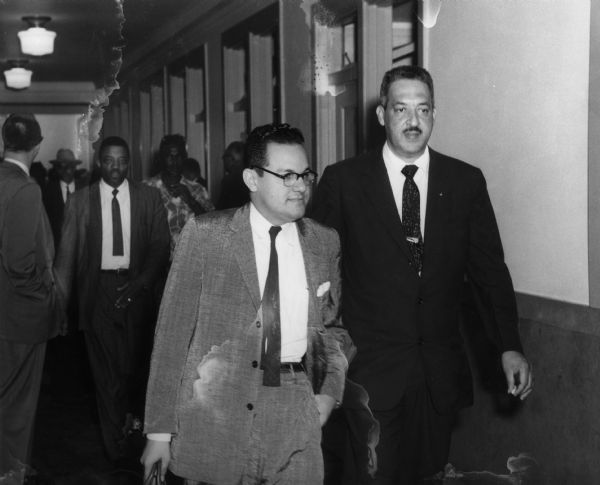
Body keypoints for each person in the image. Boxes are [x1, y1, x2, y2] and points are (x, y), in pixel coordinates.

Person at [312, 66, 533, 484]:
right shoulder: (344, 182)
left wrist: (509, 345)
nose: (413, 121)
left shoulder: (465, 182)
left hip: (437, 378)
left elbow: (489, 272)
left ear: (434, 114)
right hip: (369, 375)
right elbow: (319, 276)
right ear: (381, 115)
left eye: (423, 109)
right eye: (401, 109)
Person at [141, 123, 352, 484]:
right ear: (252, 179)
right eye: (286, 175)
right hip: (216, 411)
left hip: (295, 410)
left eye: (305, 174)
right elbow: (172, 338)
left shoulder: (323, 242)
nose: (300, 185)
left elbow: (331, 329)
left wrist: (328, 392)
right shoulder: (207, 236)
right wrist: (159, 434)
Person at [54, 136, 170, 464]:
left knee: (132, 371)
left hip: (138, 292)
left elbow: (160, 245)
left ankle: (129, 427)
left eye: (121, 161)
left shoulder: (148, 197)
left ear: (129, 163)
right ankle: (115, 451)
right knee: (106, 376)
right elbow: (65, 258)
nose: (115, 167)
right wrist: (60, 308)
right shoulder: (80, 202)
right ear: (98, 162)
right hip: (98, 293)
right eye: (109, 161)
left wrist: (142, 282)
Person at [0, 114, 62, 480]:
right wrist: (44, 296)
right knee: (18, 405)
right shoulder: (25, 188)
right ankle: (11, 472)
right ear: (38, 146)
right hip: (19, 315)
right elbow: (21, 263)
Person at [145, 134, 214, 255]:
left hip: (191, 263)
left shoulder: (198, 189)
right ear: (161, 158)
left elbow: (214, 227)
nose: (174, 161)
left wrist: (191, 200)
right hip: (158, 267)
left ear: (185, 157)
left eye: (179, 156)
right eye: (169, 156)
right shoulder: (147, 188)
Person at [43, 148, 85, 247]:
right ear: (56, 168)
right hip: (57, 249)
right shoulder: (47, 192)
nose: (67, 169)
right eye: (62, 165)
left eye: (71, 165)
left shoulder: (85, 190)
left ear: (75, 167)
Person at [216, 140, 249, 209]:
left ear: (232, 159)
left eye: (225, 156)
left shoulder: (229, 181)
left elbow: (221, 210)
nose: (223, 159)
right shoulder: (251, 176)